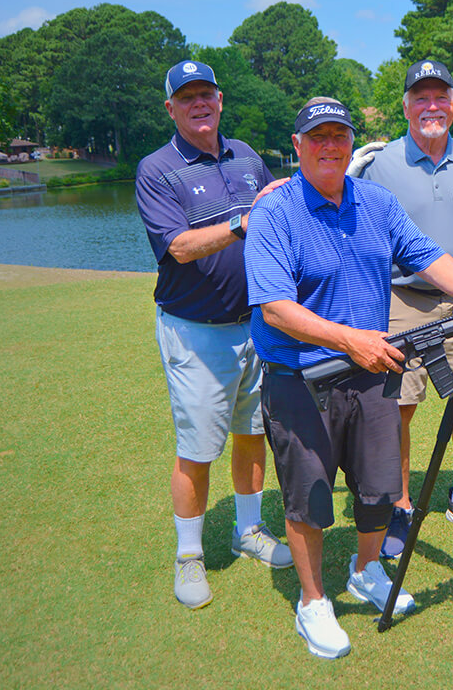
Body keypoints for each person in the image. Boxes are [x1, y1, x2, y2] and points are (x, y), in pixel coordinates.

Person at [245, 98, 453, 659]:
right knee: (310, 495)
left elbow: (424, 253)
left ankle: (366, 569)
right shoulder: (274, 213)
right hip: (301, 377)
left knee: (377, 489)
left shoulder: (376, 200)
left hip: (373, 371)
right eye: (317, 137)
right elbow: (274, 308)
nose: (330, 146)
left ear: (352, 143)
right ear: (297, 146)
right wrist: (351, 339)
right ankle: (313, 602)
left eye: (339, 136)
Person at [136, 60, 293, 611]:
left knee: (254, 432)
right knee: (198, 448)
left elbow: (271, 213)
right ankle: (189, 556)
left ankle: (246, 531)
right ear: (171, 108)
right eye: (187, 97)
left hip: (256, 324)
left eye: (207, 94)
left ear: (220, 100)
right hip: (195, 331)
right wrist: (240, 223)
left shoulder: (246, 154)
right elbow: (177, 247)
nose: (199, 104)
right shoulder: (157, 169)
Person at [350, 60, 453, 559]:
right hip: (400, 299)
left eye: (440, 96)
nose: (431, 106)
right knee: (397, 407)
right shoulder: (379, 165)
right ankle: (400, 505)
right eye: (420, 97)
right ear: (405, 106)